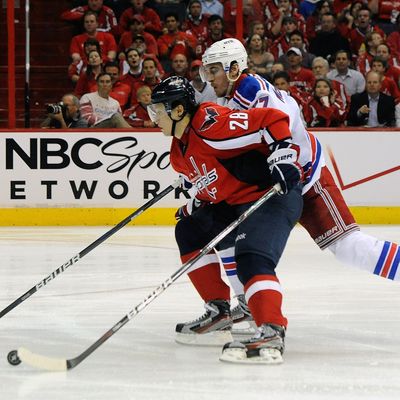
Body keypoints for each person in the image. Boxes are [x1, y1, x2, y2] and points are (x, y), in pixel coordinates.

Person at [193, 38, 399, 333]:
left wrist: (283, 155)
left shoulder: (253, 91)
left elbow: (284, 118)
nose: (210, 79)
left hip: (305, 180)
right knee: (228, 235)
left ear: (235, 68)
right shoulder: (227, 98)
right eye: (207, 72)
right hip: (269, 187)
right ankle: (249, 302)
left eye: (214, 71)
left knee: (348, 247)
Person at [149, 75, 304, 364]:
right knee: (190, 231)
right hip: (234, 203)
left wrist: (282, 155)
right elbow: (216, 182)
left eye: (157, 110)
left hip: (271, 196)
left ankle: (271, 329)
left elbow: (273, 118)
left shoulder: (211, 123)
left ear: (178, 110)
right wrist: (197, 201)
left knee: (252, 259)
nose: (153, 117)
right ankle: (219, 311)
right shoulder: (177, 151)